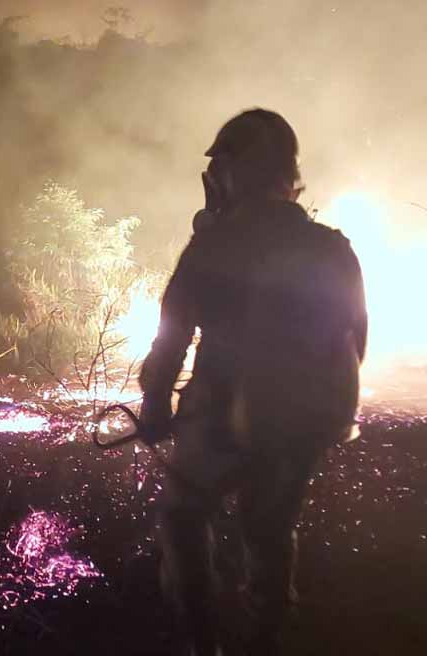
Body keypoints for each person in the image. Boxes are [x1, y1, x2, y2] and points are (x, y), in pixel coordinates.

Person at [138, 109, 367, 656]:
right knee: (270, 529)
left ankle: (203, 645)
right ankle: (265, 638)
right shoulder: (332, 247)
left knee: (183, 515)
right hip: (303, 420)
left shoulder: (214, 245)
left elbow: (171, 338)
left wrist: (155, 406)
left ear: (233, 172)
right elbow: (355, 340)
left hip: (219, 415)